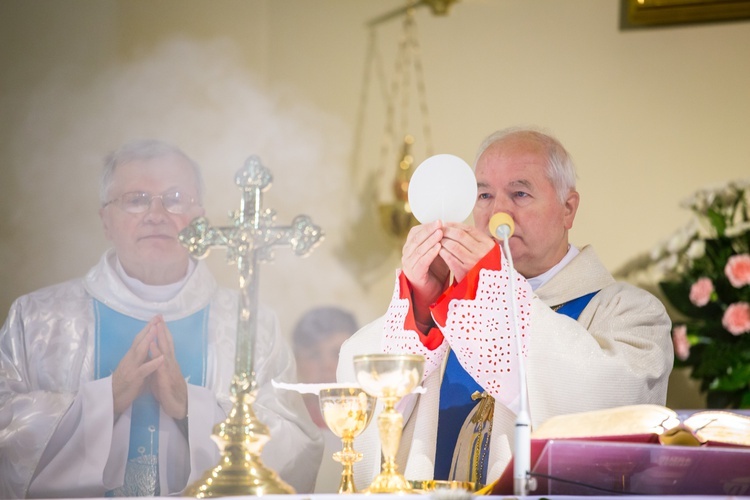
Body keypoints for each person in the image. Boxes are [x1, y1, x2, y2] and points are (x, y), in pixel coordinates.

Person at [337, 127, 673, 489]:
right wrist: (421, 309)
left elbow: (614, 408)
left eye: (520, 193)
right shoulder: (451, 306)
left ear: (568, 208)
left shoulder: (630, 314)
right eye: (484, 194)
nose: (498, 211)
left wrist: (495, 290)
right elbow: (358, 394)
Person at [0, 140, 323, 498]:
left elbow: (297, 446)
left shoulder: (253, 325)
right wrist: (104, 401)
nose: (156, 214)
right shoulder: (39, 320)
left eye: (175, 197)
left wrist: (191, 407)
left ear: (200, 216)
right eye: (136, 199)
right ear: (106, 220)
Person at [291, 306, 359, 493]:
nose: (327, 365)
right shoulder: (285, 424)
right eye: (314, 355)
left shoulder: (374, 425)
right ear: (296, 362)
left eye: (337, 353)